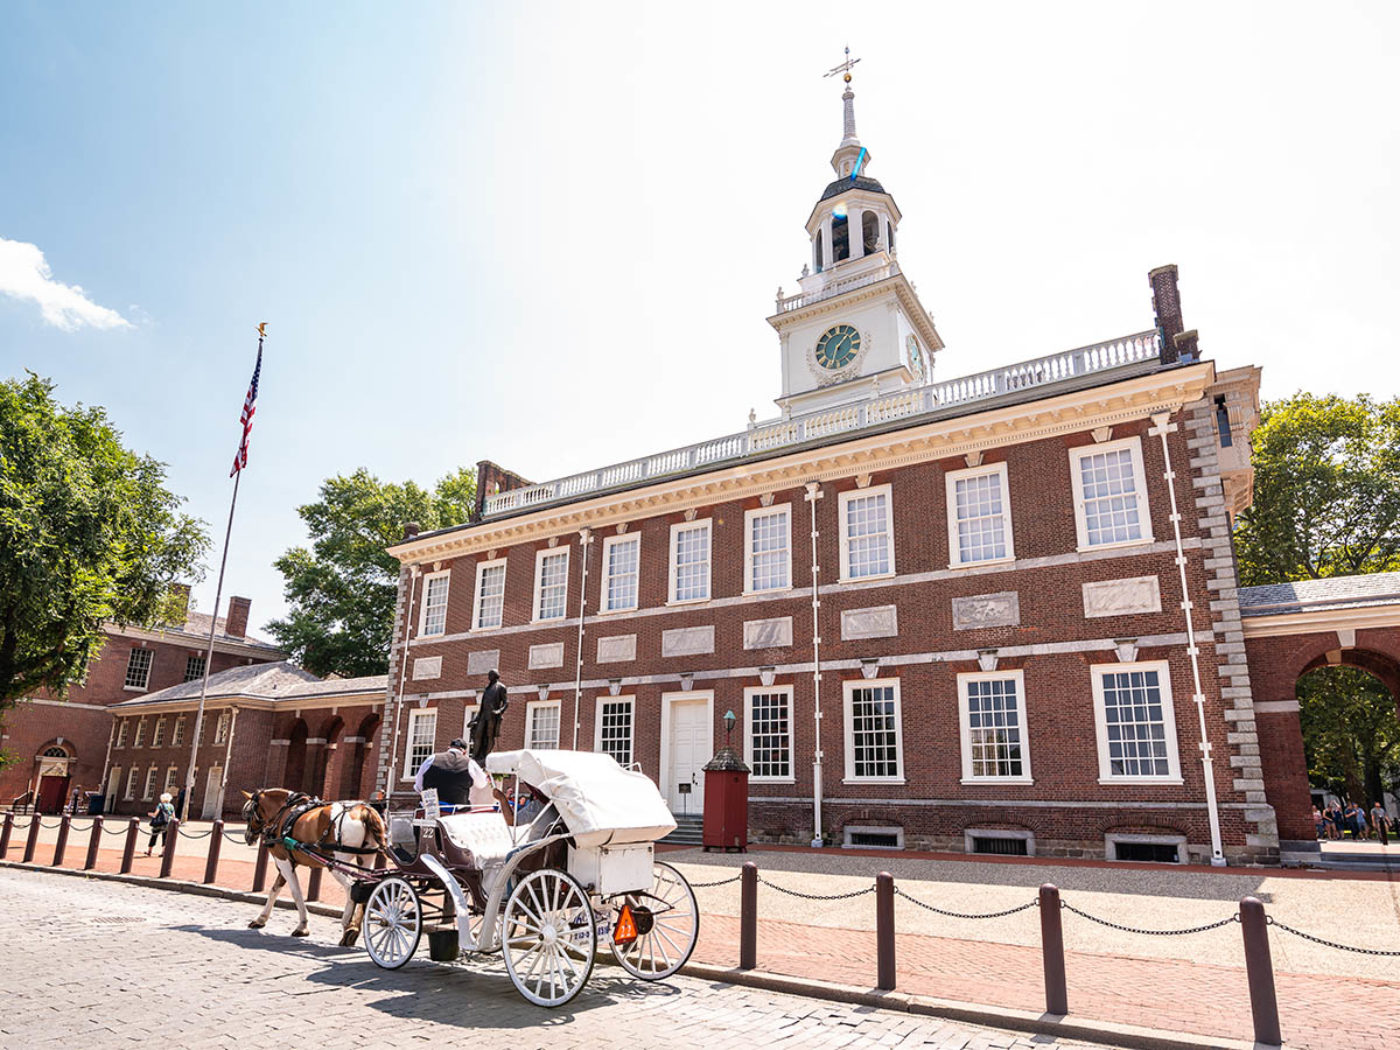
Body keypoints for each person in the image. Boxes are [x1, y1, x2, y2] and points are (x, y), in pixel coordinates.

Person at [413, 738, 494, 810]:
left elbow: (418, 786)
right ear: (464, 752)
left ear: (449, 748)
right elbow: (482, 784)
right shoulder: (469, 762)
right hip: (455, 810)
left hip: (431, 808)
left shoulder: (432, 758)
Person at [469, 670, 509, 764]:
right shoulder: (487, 688)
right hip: (483, 715)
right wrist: (475, 719)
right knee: (478, 734)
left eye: (490, 675)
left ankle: (487, 755)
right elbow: (482, 706)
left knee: (489, 735)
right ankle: (475, 755)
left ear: (495, 676)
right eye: (488, 675)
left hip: (492, 716)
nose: (488, 676)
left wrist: (499, 711)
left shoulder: (501, 687)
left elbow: (506, 702)